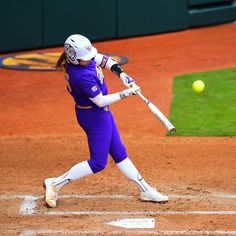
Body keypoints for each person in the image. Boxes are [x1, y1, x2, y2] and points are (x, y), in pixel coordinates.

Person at [43, 34, 168, 208]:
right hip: (93, 116)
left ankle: (145, 189)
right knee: (98, 162)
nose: (89, 59)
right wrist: (126, 93)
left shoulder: (83, 59)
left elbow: (104, 59)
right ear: (74, 58)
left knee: (119, 153)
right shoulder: (80, 75)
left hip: (100, 114)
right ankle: (55, 183)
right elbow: (100, 100)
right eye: (85, 58)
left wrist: (121, 74)